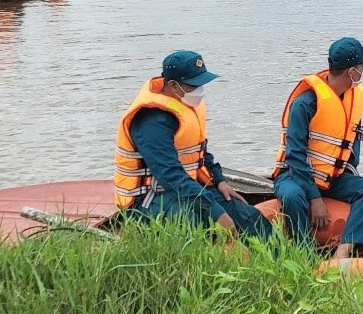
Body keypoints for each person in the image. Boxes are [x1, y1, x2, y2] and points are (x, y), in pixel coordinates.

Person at [114, 51, 273, 243]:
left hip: (187, 189)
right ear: (173, 85)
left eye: (201, 83)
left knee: (249, 217)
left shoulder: (185, 103)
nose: (200, 90)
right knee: (199, 223)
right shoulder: (152, 120)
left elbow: (200, 151)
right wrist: (216, 212)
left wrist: (220, 180)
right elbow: (170, 175)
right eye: (193, 85)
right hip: (152, 198)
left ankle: (278, 264)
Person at [272, 37, 363, 260]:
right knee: (293, 197)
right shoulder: (305, 103)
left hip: (332, 177)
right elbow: (294, 157)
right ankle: (304, 257)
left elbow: (351, 147)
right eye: (362, 67)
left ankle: (341, 254)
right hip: (295, 176)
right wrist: (315, 199)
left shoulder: (352, 98)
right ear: (351, 72)